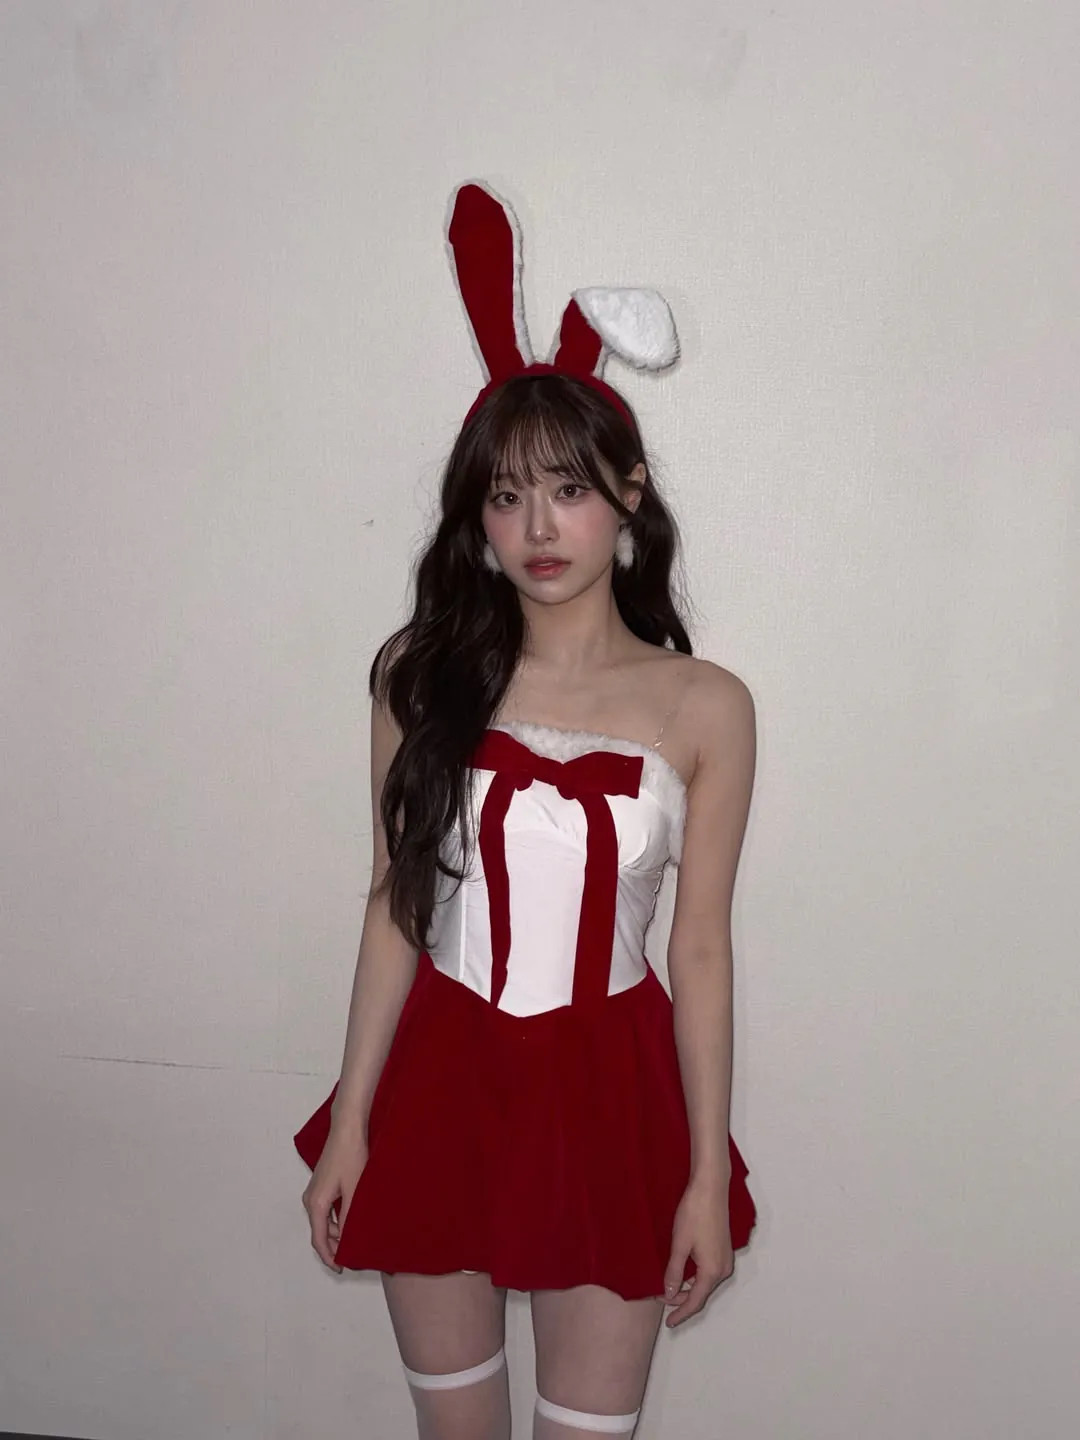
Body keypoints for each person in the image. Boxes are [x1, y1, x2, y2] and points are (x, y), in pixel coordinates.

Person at [294, 183, 757, 1440]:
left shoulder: (706, 705)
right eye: (505, 497)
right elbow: (396, 905)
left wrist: (703, 1174)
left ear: (628, 495)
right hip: (439, 1083)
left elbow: (700, 951)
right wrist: (351, 1121)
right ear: (477, 520)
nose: (538, 526)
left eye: (566, 488)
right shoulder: (419, 675)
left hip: (612, 1097)